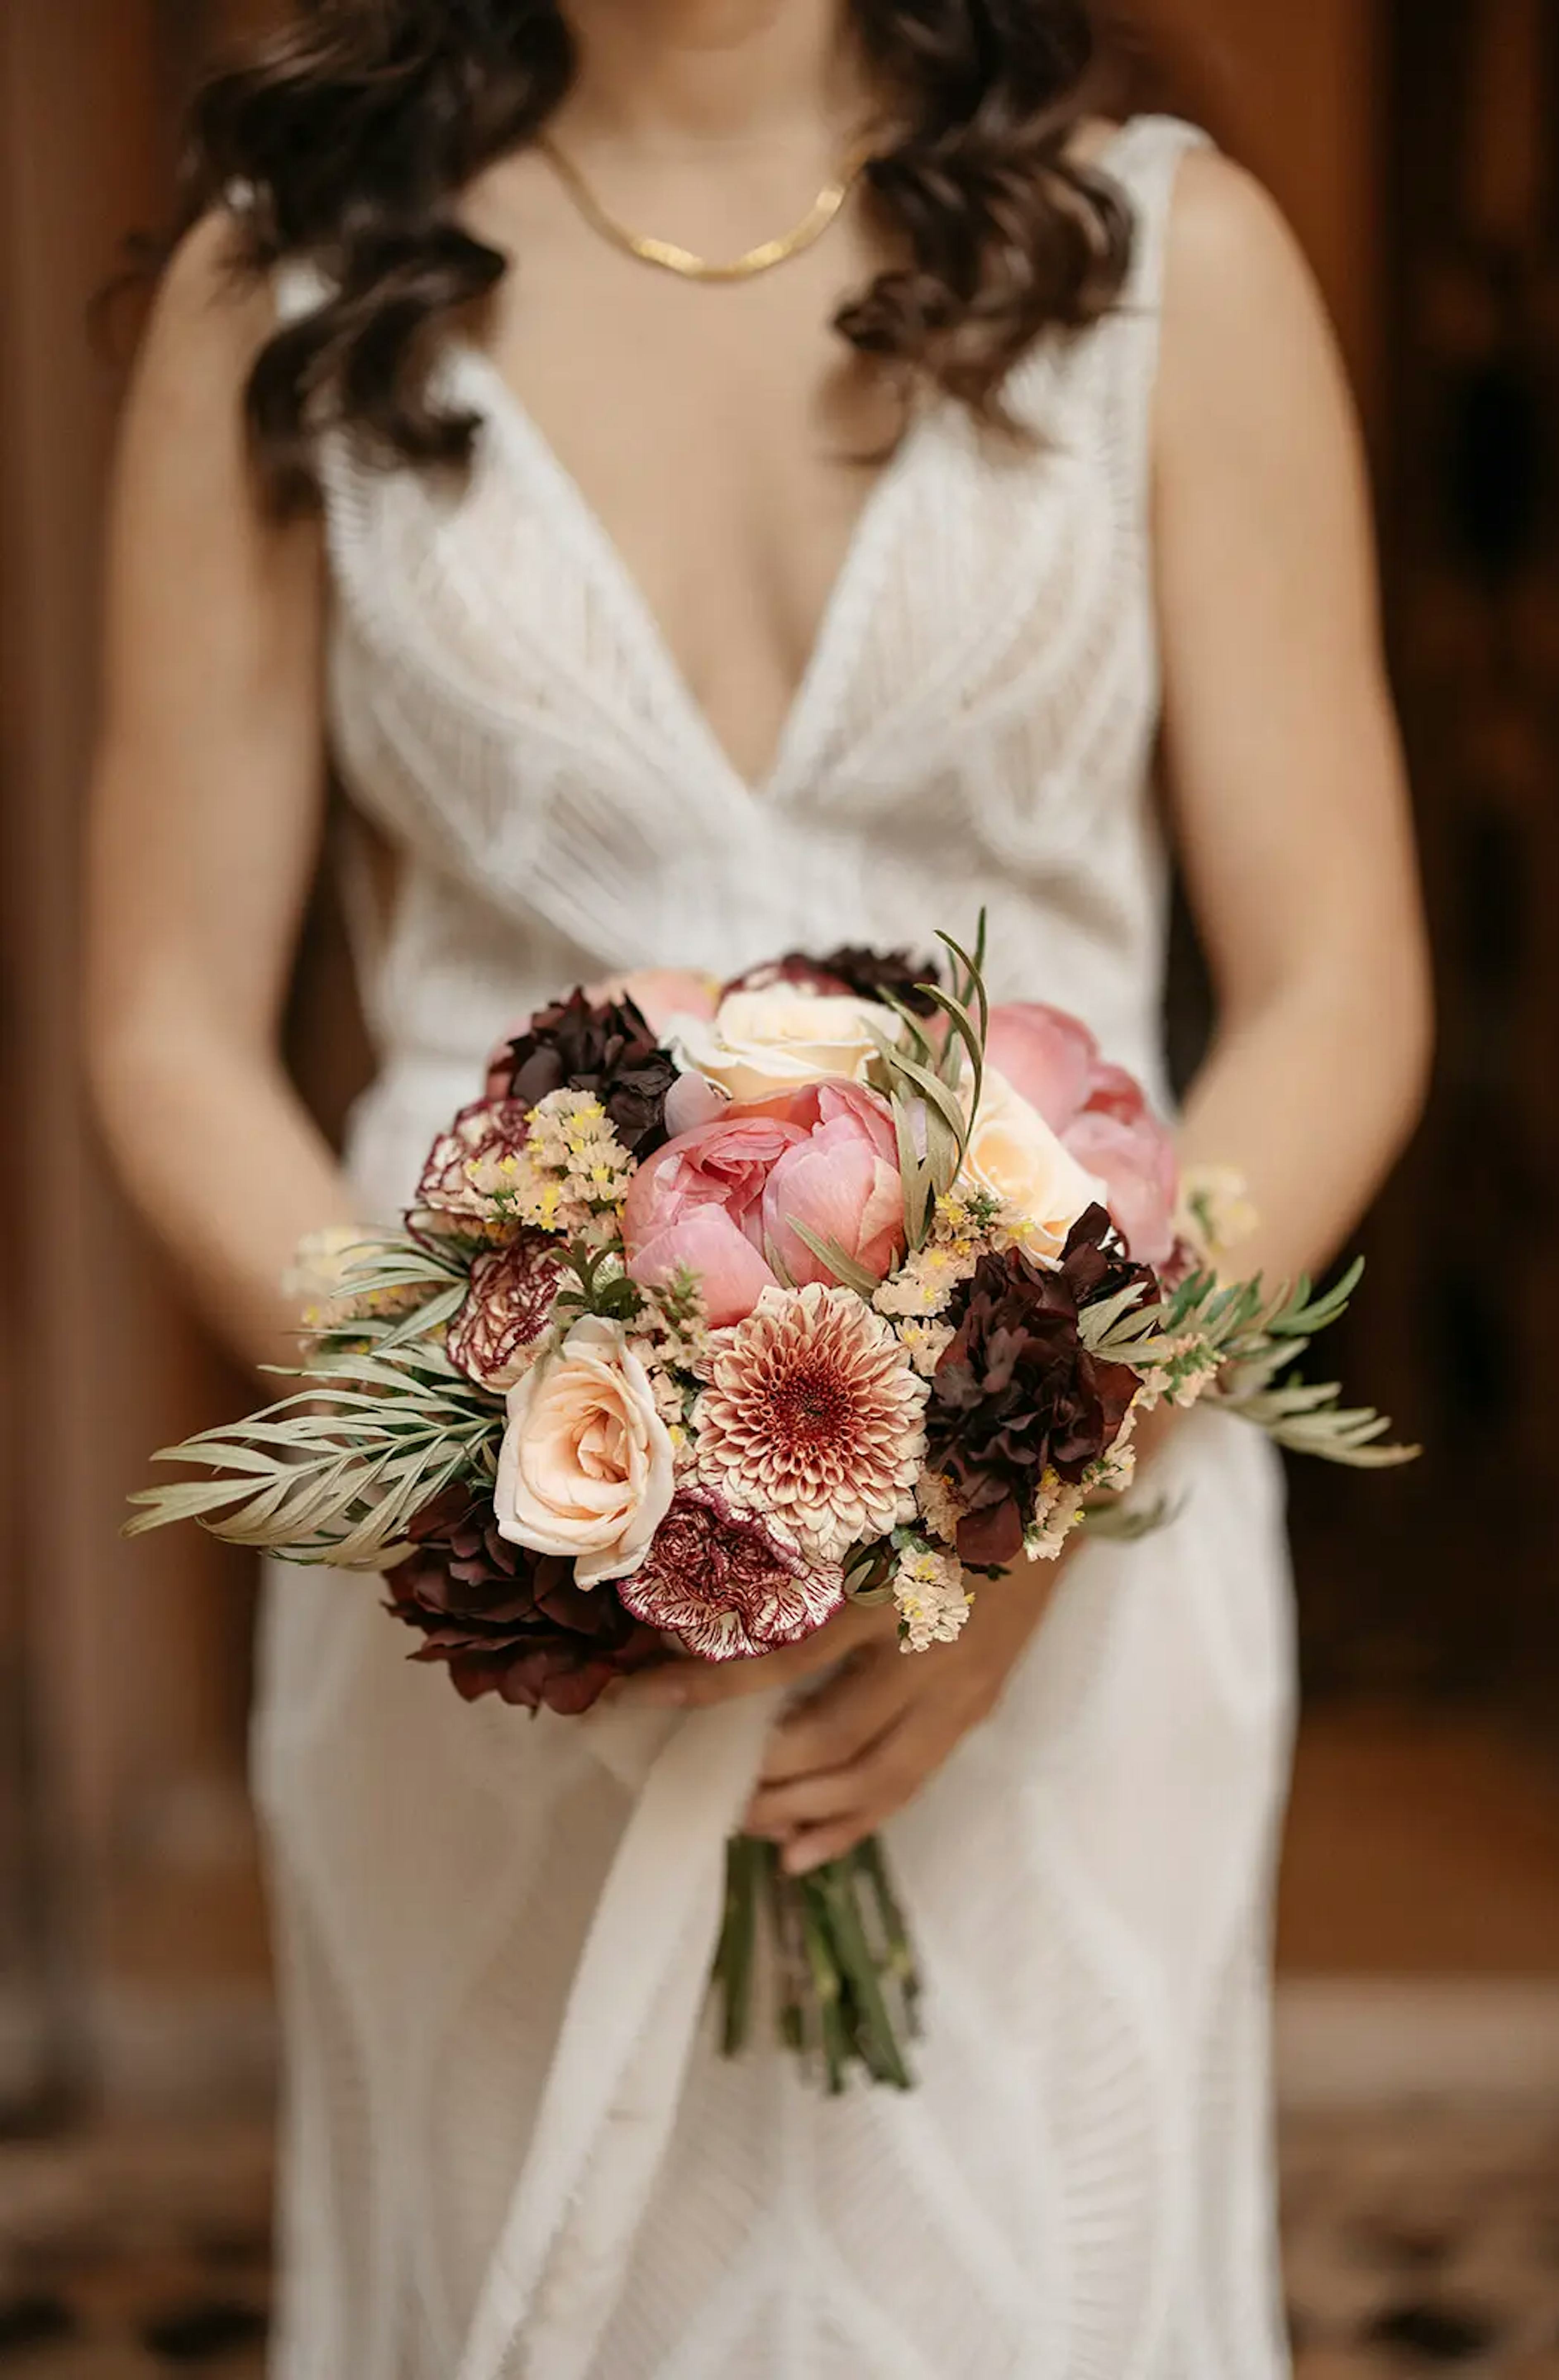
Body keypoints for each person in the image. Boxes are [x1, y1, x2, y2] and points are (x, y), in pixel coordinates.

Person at [85, 0, 1431, 2369]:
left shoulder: (1166, 265)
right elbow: (166, 1025)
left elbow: (1339, 987)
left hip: (1077, 1585)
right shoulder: (282, 287)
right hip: (490, 1580)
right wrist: (493, 1476)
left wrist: (1038, 1483)